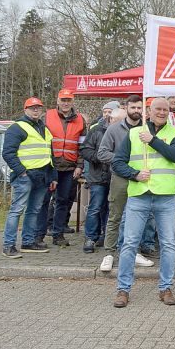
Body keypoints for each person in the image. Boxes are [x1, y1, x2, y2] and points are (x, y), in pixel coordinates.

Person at [110, 97, 175, 308]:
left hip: (166, 197)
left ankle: (165, 288)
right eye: (157, 109)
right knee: (129, 243)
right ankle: (123, 290)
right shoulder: (134, 133)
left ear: (169, 112)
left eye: (165, 109)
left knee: (169, 245)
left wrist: (152, 140)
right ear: (149, 112)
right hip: (139, 195)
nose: (161, 112)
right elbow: (117, 163)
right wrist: (134, 174)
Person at [97, 95, 156, 271]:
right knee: (115, 216)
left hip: (140, 179)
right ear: (126, 108)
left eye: (140, 108)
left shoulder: (148, 130)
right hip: (121, 178)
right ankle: (109, 253)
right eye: (133, 108)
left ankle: (133, 251)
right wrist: (122, 160)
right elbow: (102, 153)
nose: (136, 111)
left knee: (137, 217)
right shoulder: (114, 129)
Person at [1, 97, 56, 258]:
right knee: (17, 210)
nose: (35, 110)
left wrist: (53, 176)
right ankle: (8, 245)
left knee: (34, 210)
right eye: (32, 108)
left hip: (42, 175)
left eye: (38, 108)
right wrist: (22, 172)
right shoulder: (17, 127)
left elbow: (49, 154)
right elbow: (8, 153)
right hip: (25, 176)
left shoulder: (44, 128)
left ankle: (28, 242)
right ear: (25, 109)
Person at [43, 89, 86, 247]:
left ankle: (58, 234)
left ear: (72, 102)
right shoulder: (47, 116)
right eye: (63, 100)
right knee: (44, 200)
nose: (66, 103)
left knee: (63, 201)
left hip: (69, 167)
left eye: (68, 100)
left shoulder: (80, 120)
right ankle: (39, 235)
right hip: (49, 166)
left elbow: (83, 145)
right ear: (58, 101)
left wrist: (80, 165)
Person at [79, 104, 115, 253]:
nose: (109, 115)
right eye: (106, 112)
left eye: (111, 112)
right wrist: (99, 158)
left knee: (111, 209)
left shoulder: (124, 131)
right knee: (95, 207)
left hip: (115, 177)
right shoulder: (96, 130)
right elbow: (85, 150)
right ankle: (91, 238)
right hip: (97, 176)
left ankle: (107, 236)